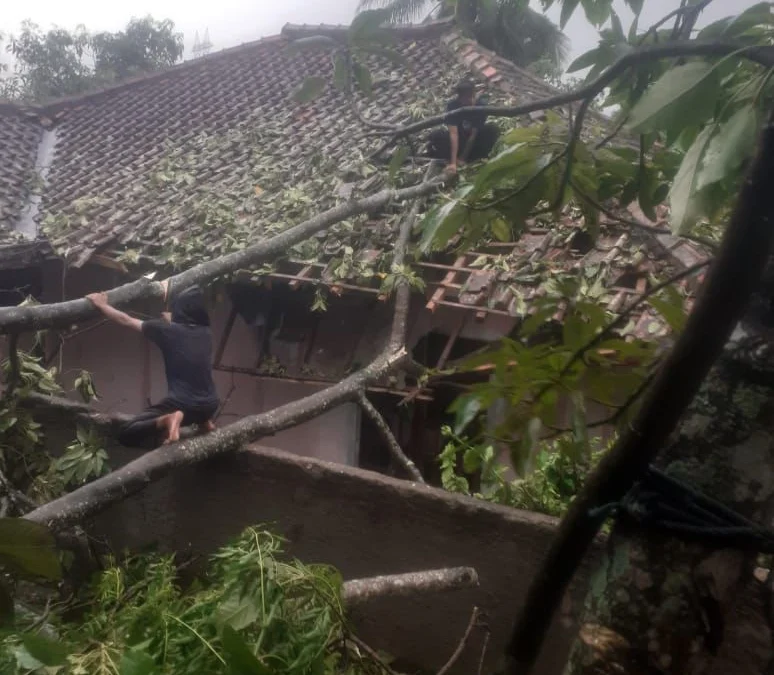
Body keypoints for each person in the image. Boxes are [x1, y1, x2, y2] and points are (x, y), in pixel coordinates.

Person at [86, 283, 220, 448]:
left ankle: (168, 419)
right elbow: (185, 332)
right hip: (210, 405)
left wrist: (102, 304)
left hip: (184, 405)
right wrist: (172, 321)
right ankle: (205, 423)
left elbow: (126, 320)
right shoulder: (206, 333)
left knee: (126, 433)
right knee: (196, 381)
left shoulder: (165, 331)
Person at [427, 79, 500, 173]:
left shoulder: (481, 106)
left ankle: (472, 159)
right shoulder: (452, 106)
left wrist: (462, 158)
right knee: (436, 135)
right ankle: (453, 159)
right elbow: (454, 134)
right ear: (460, 98)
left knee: (492, 130)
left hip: (473, 144)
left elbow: (473, 136)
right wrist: (454, 162)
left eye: (473, 96)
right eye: (467, 97)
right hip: (459, 142)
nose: (471, 100)